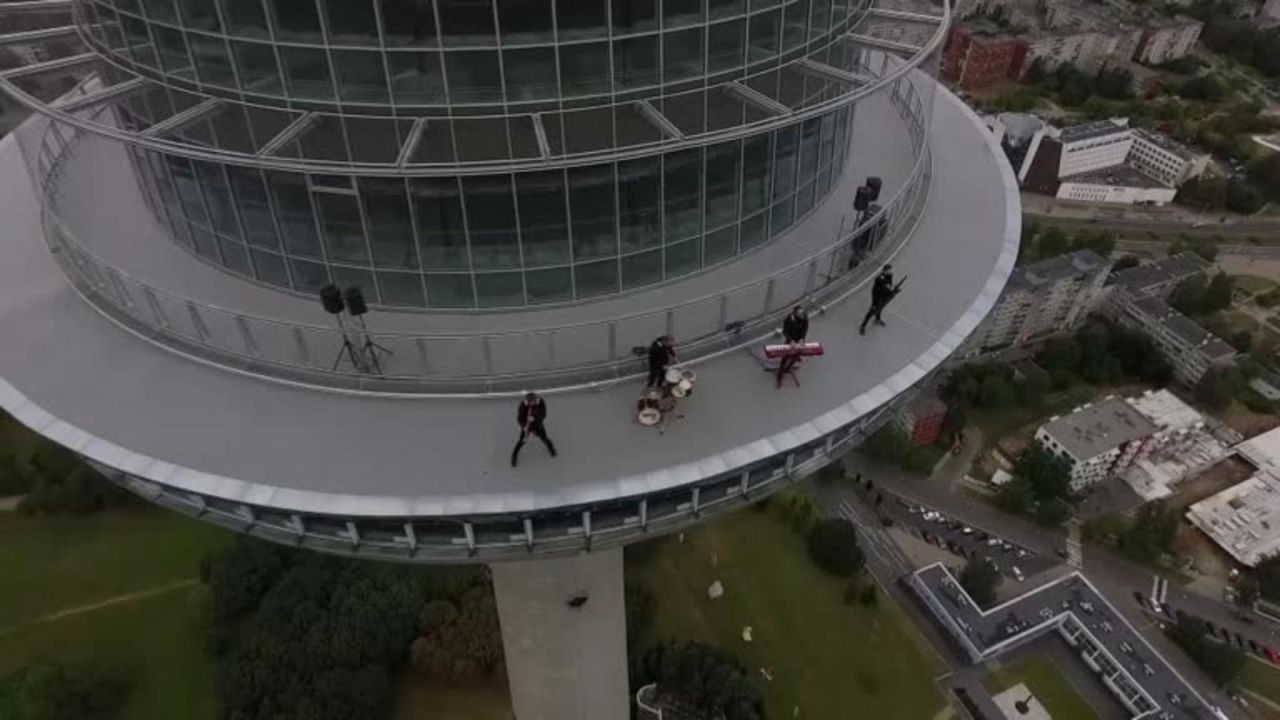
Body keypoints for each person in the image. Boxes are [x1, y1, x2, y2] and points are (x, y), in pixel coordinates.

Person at [511, 391, 556, 467]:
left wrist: (534, 418)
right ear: (527, 401)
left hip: (538, 425)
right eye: (530, 403)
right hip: (527, 427)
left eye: (533, 402)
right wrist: (524, 426)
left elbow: (543, 414)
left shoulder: (540, 402)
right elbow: (519, 419)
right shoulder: (522, 406)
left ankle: (551, 448)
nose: (532, 404)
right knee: (521, 441)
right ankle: (514, 454)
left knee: (544, 438)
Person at [859, 264, 899, 335]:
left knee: (881, 306)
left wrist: (892, 289)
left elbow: (889, 285)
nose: (890, 271)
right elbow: (882, 286)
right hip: (876, 294)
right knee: (872, 310)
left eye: (890, 270)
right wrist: (889, 287)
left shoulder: (890, 275)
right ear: (885, 270)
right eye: (889, 270)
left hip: (884, 292)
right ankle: (863, 326)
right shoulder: (879, 278)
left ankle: (877, 319)